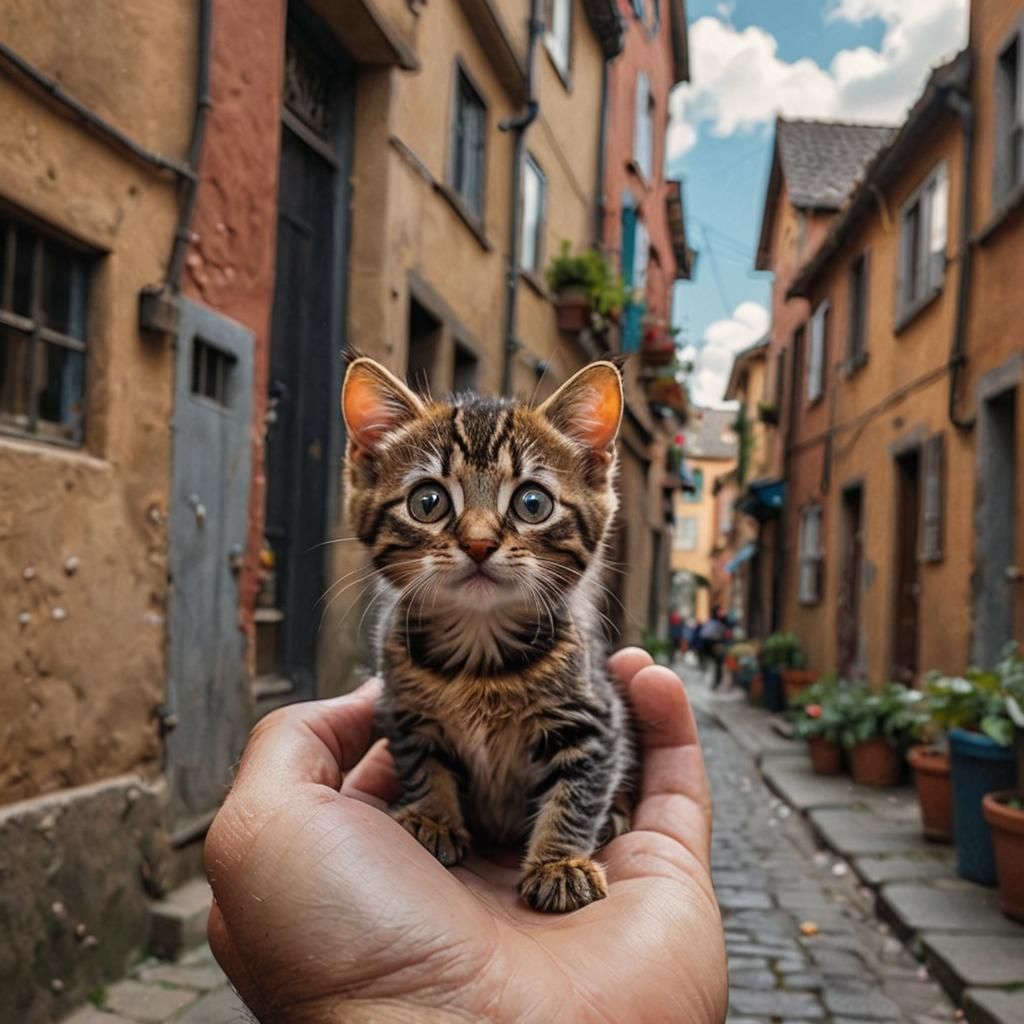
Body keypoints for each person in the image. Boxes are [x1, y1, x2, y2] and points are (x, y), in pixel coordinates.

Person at [204, 649, 728, 1023]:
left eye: (530, 507)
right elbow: (414, 741)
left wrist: (562, 847)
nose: (478, 537)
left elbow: (589, 751)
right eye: (430, 503)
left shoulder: (567, 640)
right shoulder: (402, 643)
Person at [698, 606, 731, 691]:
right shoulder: (713, 622)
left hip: (718, 645)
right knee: (717, 665)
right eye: (720, 611)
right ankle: (716, 683)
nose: (722, 613)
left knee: (718, 666)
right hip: (716, 646)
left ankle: (716, 682)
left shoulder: (722, 621)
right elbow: (705, 635)